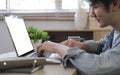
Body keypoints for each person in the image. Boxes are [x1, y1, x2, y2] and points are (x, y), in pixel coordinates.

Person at [37, 0, 120, 75]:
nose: (91, 14)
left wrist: (57, 47)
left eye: (95, 7)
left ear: (115, 4)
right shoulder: (115, 32)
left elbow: (98, 66)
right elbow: (102, 45)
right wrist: (82, 45)